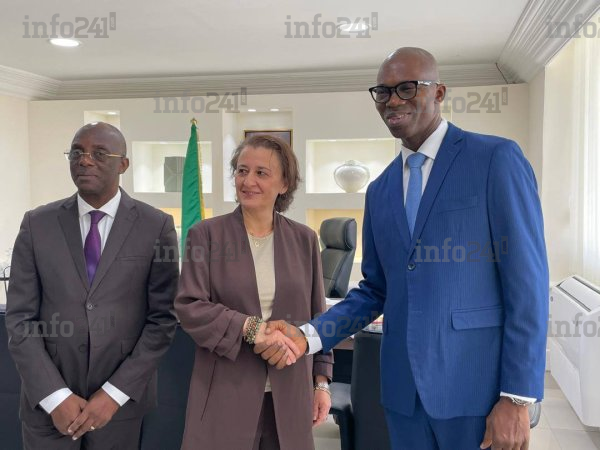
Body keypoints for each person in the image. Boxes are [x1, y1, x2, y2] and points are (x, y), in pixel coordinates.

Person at [258, 47, 549, 450]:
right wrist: (308, 336)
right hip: (403, 397)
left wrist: (517, 396)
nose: (393, 100)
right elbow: (375, 290)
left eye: (407, 88)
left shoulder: (495, 159)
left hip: (476, 391)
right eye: (383, 92)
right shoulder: (380, 190)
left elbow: (527, 285)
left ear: (439, 92)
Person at [5, 122, 179, 449]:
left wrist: (113, 395)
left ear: (123, 164)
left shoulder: (156, 226)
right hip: (48, 410)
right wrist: (55, 396)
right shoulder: (36, 224)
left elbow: (162, 321)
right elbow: (19, 319)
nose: (84, 160)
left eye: (99, 154)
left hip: (120, 411)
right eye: (76, 153)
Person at [174, 134, 333, 450]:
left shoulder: (304, 239)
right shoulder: (206, 235)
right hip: (225, 390)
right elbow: (190, 305)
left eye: (261, 173)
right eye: (242, 171)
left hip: (290, 392)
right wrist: (250, 328)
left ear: (284, 184)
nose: (248, 181)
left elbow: (318, 317)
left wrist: (322, 382)